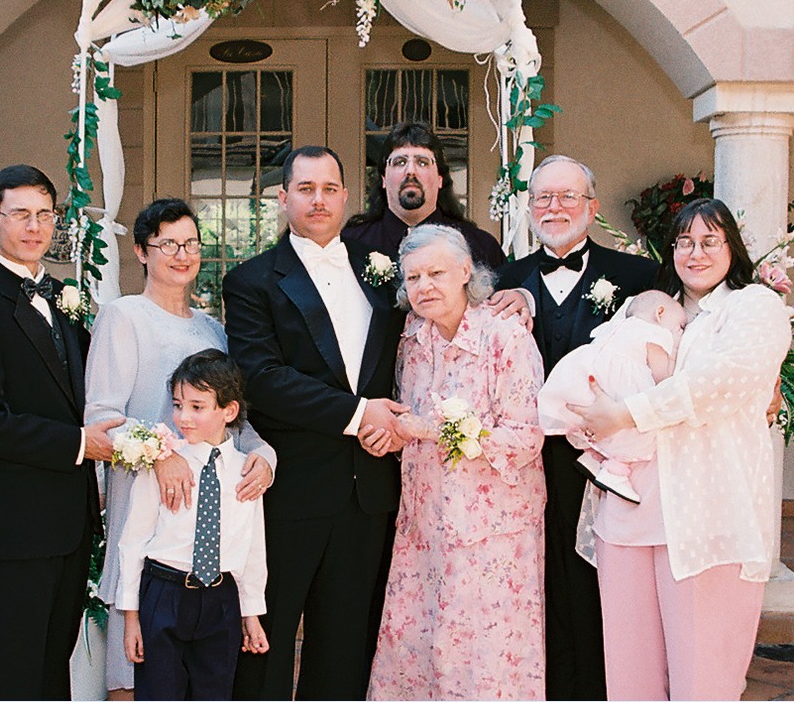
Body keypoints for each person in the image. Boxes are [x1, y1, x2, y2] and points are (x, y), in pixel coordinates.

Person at [567, 198, 791, 700]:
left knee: (703, 674)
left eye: (709, 241)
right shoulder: (648, 309)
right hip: (628, 510)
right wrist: (585, 417)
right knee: (629, 670)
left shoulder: (753, 307)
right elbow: (597, 367)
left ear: (732, 246)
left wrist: (625, 414)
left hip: (703, 514)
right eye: (684, 242)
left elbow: (720, 383)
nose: (695, 252)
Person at [223, 145, 408, 700]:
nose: (319, 199)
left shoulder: (382, 277)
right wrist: (359, 415)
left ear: (346, 197)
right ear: (283, 199)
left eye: (329, 188)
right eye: (305, 188)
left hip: (368, 490)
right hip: (292, 494)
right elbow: (261, 377)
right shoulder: (252, 281)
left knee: (349, 644)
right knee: (267, 638)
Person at [0, 164, 121, 700]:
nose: (35, 226)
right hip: (16, 527)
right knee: (11, 674)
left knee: (50, 667)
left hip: (70, 522)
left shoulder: (64, 297)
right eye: (20, 214)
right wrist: (80, 444)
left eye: (45, 214)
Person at [85, 198, 275, 700]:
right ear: (143, 252)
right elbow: (101, 419)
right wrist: (159, 454)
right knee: (137, 667)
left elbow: (235, 421)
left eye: (190, 243)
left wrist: (266, 458)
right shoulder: (123, 316)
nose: (181, 254)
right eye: (167, 243)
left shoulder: (213, 329)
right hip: (149, 511)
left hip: (209, 522)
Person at [494, 154, 658, 700]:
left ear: (592, 206)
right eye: (543, 197)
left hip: (607, 462)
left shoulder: (638, 277)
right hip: (525, 463)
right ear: (529, 208)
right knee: (535, 581)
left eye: (568, 197)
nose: (554, 207)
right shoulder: (505, 278)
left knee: (601, 583)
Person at [362, 225, 546, 700]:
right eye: (414, 277)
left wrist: (431, 430)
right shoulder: (412, 342)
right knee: (416, 649)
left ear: (466, 271)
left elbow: (526, 438)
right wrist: (390, 437)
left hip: (491, 535)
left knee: (488, 656)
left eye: (437, 273)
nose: (424, 286)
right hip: (424, 528)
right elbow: (410, 423)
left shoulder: (505, 338)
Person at [118, 349, 269, 701]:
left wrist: (251, 614)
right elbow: (133, 540)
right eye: (177, 405)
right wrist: (131, 618)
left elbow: (253, 546)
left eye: (197, 407)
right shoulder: (164, 464)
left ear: (228, 411)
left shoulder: (247, 470)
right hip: (164, 593)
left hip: (221, 600)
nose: (183, 417)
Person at [537, 290, 687, 503]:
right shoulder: (655, 334)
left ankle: (594, 456)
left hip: (584, 378)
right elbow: (662, 377)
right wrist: (676, 356)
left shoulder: (616, 325)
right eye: (680, 325)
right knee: (637, 430)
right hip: (621, 386)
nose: (679, 330)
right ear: (660, 313)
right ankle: (616, 471)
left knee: (592, 420)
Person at [342, 121, 506, 269]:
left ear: (440, 178)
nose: (411, 171)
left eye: (422, 162)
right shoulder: (351, 245)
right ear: (384, 179)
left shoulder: (480, 247)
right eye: (400, 162)